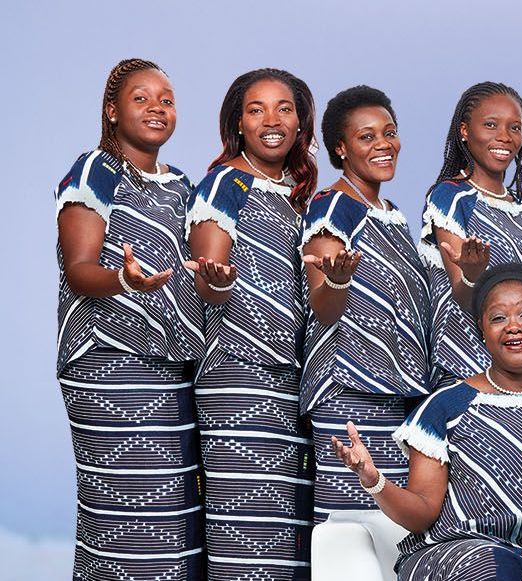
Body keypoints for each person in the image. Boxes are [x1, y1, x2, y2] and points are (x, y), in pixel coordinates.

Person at [333, 263, 522, 581]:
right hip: (458, 552)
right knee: (491, 565)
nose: (513, 326)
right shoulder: (446, 406)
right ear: (482, 331)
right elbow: (421, 512)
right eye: (498, 318)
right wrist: (373, 480)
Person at [55, 58, 205, 579]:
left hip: (173, 366)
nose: (157, 107)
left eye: (166, 98)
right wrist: (125, 281)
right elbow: (79, 269)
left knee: (175, 526)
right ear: (112, 111)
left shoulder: (183, 184)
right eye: (141, 98)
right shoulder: (93, 169)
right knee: (126, 521)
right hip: (109, 364)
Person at [185, 68, 318, 580]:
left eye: (284, 109)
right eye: (256, 109)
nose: (272, 120)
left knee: (287, 540)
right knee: (246, 538)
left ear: (301, 123)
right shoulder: (226, 182)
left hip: (291, 382)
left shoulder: (300, 193)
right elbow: (209, 282)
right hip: (239, 379)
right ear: (238, 123)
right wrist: (217, 283)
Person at [300, 86, 433, 522]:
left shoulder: (390, 212)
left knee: (391, 533)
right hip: (351, 395)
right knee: (353, 530)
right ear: (341, 148)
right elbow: (323, 307)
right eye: (366, 136)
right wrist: (337, 282)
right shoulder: (333, 205)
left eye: (389, 132)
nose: (383, 144)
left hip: (398, 395)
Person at [420, 82, 522, 386]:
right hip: (467, 368)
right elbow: (462, 295)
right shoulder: (450, 197)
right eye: (491, 125)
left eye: (514, 128)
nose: (504, 137)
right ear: (464, 131)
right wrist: (472, 274)